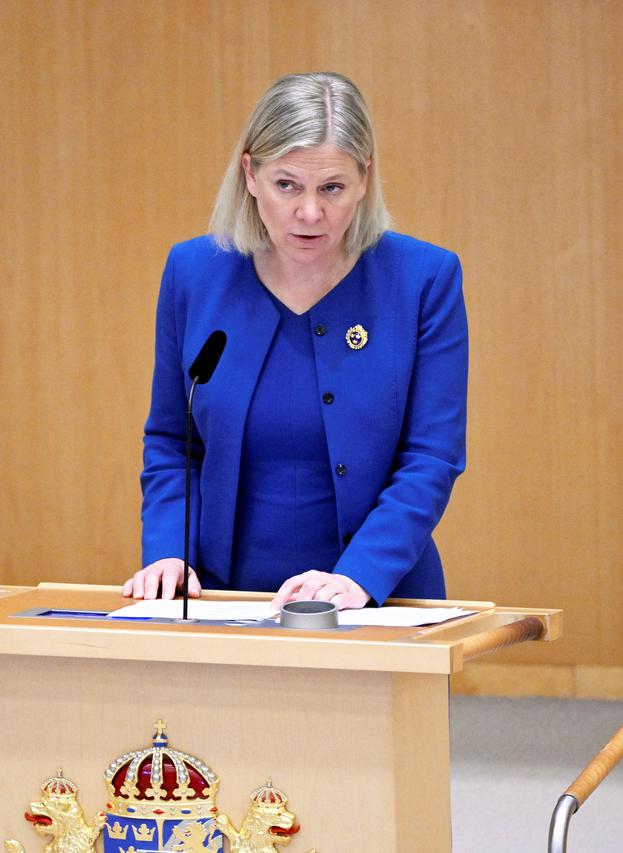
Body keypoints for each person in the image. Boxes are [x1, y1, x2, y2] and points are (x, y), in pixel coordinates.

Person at [122, 72, 467, 612]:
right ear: (250, 174)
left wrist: (358, 576)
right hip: (220, 597)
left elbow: (431, 456)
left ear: (364, 179)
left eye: (332, 187)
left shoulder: (422, 279)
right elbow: (172, 442)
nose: (310, 213)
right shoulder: (194, 272)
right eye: (287, 185)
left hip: (377, 597)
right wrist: (168, 551)